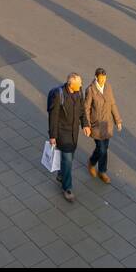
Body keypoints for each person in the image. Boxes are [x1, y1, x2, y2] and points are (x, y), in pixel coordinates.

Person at [47, 73, 90, 202]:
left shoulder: (79, 92)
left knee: (70, 158)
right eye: (79, 83)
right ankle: (67, 188)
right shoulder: (58, 95)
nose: (82, 84)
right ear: (71, 84)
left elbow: (81, 110)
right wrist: (53, 136)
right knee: (68, 160)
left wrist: (85, 125)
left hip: (73, 133)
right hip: (63, 134)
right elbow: (53, 117)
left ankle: (61, 175)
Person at [82, 68, 122, 184]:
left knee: (104, 148)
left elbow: (113, 104)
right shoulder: (90, 90)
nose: (103, 80)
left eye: (105, 78)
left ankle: (99, 168)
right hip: (96, 125)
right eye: (101, 78)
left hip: (107, 124)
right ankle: (99, 168)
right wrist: (87, 125)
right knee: (102, 149)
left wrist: (118, 120)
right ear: (96, 77)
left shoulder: (108, 87)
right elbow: (86, 108)